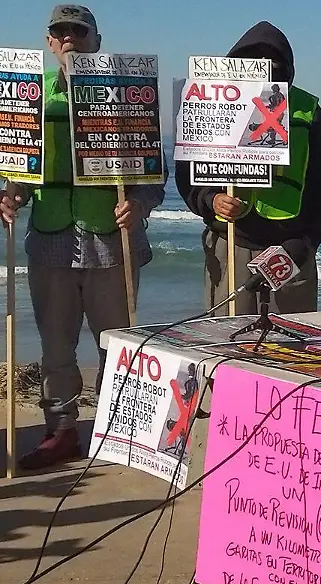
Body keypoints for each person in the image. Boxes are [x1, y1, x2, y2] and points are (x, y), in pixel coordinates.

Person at [0, 5, 164, 470]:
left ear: (96, 39)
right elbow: (19, 172)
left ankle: (122, 427)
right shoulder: (27, 101)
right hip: (50, 241)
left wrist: (140, 204)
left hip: (111, 244)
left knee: (118, 342)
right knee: (55, 344)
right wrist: (10, 196)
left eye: (78, 30)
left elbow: (154, 174)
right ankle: (61, 430)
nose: (68, 37)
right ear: (50, 41)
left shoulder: (125, 96)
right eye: (60, 31)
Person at [176, 21, 321, 314]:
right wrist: (210, 199)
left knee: (289, 348)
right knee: (228, 343)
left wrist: (305, 244)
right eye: (254, 59)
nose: (266, 67)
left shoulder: (308, 110)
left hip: (290, 250)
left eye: (275, 62)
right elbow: (187, 172)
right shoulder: (207, 101)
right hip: (230, 243)